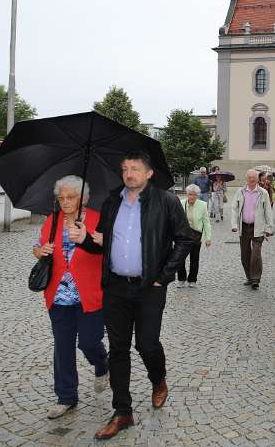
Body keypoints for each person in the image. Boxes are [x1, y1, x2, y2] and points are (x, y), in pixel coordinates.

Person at [77, 150, 194, 440]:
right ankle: (122, 412)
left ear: (149, 173)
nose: (129, 174)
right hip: (115, 286)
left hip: (149, 288)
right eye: (125, 168)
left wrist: (163, 276)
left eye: (135, 169)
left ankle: (158, 380)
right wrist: (85, 240)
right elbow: (102, 245)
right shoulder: (111, 202)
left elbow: (186, 238)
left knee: (147, 344)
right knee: (118, 349)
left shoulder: (166, 201)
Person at [34, 176, 108, 420]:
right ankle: (66, 396)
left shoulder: (98, 218)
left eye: (71, 197)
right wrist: (40, 251)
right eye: (61, 198)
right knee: (62, 348)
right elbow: (37, 246)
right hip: (58, 295)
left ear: (83, 198)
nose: (65, 202)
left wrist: (91, 239)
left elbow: (109, 248)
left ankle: (102, 363)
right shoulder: (51, 221)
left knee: (89, 342)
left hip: (90, 293)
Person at [231, 169, 273, 290]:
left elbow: (268, 211)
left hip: (258, 227)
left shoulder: (263, 192)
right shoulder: (240, 192)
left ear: (257, 179)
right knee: (245, 254)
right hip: (244, 226)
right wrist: (234, 224)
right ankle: (249, 277)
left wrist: (269, 228)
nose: (251, 179)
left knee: (256, 253)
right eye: (249, 177)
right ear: (246, 178)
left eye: (253, 177)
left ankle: (255, 279)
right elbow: (234, 208)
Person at [176, 184, 212, 288]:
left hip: (195, 236)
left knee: (194, 259)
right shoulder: (181, 203)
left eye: (194, 195)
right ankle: (181, 279)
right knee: (180, 258)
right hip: (182, 236)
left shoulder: (203, 205)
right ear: (187, 194)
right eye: (189, 194)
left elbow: (206, 222)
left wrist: (208, 238)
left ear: (197, 195)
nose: (191, 197)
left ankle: (192, 280)